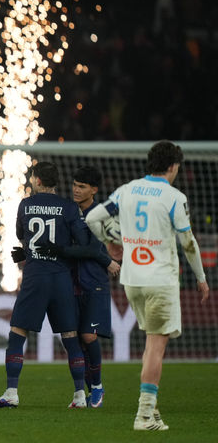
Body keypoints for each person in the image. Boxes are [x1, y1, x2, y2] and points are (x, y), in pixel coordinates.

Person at [85, 141, 209, 430]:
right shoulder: (174, 197)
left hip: (132, 280)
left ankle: (153, 413)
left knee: (151, 343)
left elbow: (91, 217)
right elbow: (188, 243)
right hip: (160, 280)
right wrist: (201, 278)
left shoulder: (126, 190)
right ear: (173, 166)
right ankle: (143, 416)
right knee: (156, 347)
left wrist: (110, 241)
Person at [0, 161, 90, 409]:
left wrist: (31, 250)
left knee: (17, 333)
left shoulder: (26, 204)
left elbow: (21, 235)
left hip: (35, 277)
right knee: (70, 337)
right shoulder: (69, 207)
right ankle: (79, 395)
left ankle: (11, 392)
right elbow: (83, 241)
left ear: (38, 180)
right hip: (61, 278)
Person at [36, 166, 121, 408]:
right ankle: (86, 389)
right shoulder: (68, 211)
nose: (76, 190)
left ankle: (97, 386)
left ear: (94, 190)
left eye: (82, 186)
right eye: (74, 184)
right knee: (72, 339)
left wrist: (104, 259)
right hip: (68, 283)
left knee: (88, 335)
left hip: (94, 283)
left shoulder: (101, 215)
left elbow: (93, 248)